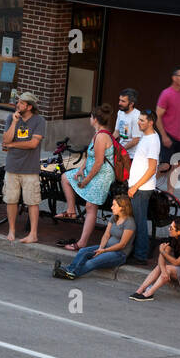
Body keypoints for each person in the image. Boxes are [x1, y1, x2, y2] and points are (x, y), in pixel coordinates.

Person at [63, 103, 117, 252]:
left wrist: (86, 180)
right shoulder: (97, 134)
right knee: (66, 178)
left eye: (91, 116)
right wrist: (80, 169)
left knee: (90, 206)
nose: (90, 118)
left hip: (102, 175)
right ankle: (71, 210)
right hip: (92, 170)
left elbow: (99, 162)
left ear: (95, 119)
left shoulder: (102, 137)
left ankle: (82, 243)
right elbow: (90, 156)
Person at [53, 194, 136, 279]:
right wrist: (101, 248)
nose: (111, 207)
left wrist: (104, 250)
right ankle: (68, 271)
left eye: (114, 205)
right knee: (83, 251)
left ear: (122, 207)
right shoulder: (114, 217)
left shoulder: (129, 222)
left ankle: (70, 273)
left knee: (93, 262)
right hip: (105, 247)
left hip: (119, 254)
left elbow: (122, 244)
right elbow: (106, 235)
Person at [1, 92, 47, 243]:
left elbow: (33, 144)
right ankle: (11, 231)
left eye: (21, 103)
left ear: (29, 106)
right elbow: (5, 139)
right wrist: (14, 123)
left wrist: (13, 145)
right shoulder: (11, 118)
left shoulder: (39, 121)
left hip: (30, 168)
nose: (17, 105)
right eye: (17, 102)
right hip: (12, 166)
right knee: (11, 200)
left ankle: (33, 234)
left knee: (32, 202)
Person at [130, 217, 180, 300]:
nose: (168, 229)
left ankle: (148, 294)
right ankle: (140, 290)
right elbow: (161, 257)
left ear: (179, 232)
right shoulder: (173, 237)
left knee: (167, 268)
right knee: (160, 266)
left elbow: (177, 262)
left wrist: (162, 251)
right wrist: (163, 272)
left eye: (171, 228)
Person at [127, 109, 161, 263]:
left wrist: (135, 187)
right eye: (139, 119)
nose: (138, 122)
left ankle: (140, 255)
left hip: (142, 189)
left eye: (142, 120)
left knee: (139, 222)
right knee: (136, 220)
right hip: (137, 187)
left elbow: (152, 168)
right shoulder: (145, 137)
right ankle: (135, 251)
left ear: (151, 122)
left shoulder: (153, 140)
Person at [114, 88, 141, 156]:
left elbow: (135, 140)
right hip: (122, 151)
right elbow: (116, 132)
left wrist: (120, 150)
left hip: (133, 155)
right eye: (119, 100)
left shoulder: (137, 116)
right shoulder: (120, 112)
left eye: (123, 101)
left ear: (131, 104)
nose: (119, 103)